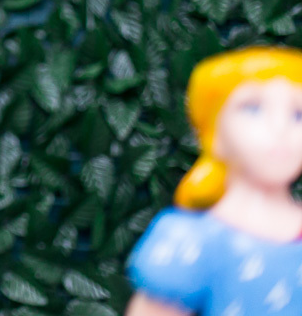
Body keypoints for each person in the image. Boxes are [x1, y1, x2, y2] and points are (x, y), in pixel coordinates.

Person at [126, 47, 302, 316]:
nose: (280, 128)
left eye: (298, 114)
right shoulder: (190, 240)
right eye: (253, 108)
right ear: (214, 134)